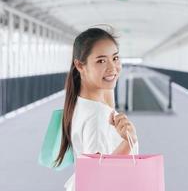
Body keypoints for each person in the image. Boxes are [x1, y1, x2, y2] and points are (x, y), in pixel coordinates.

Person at [53, 27, 139, 191]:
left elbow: (108, 96)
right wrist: (129, 142)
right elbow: (96, 179)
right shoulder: (97, 116)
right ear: (79, 65)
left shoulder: (82, 102)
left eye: (115, 58)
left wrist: (108, 78)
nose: (113, 67)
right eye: (101, 60)